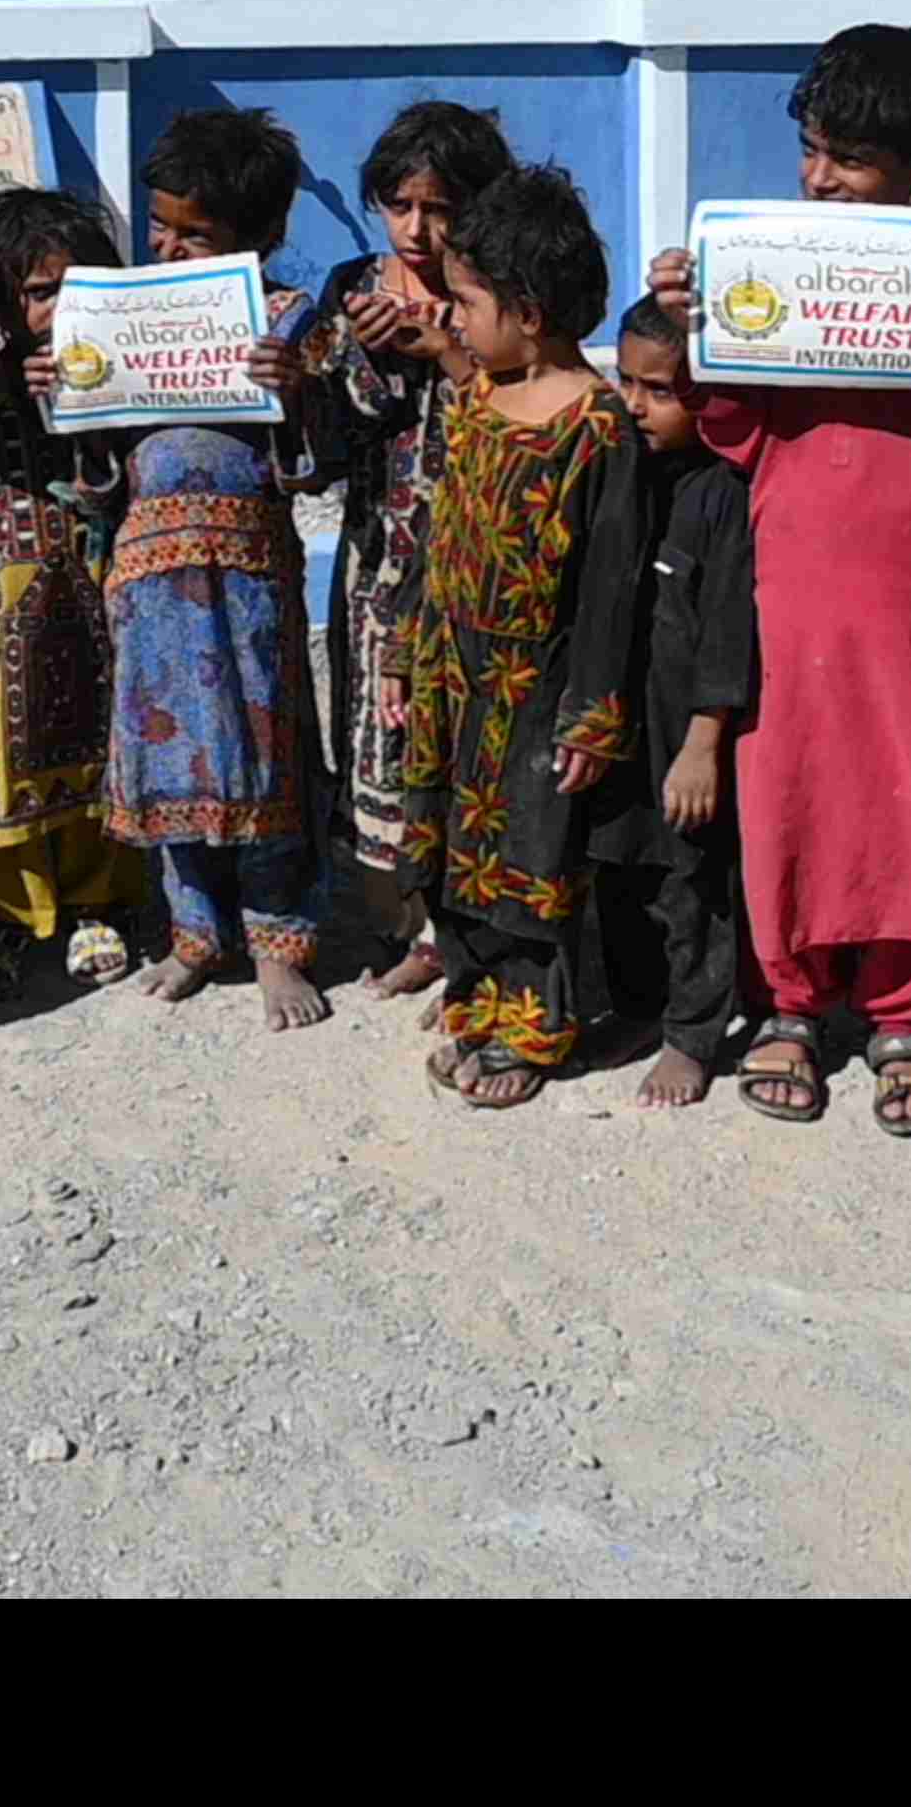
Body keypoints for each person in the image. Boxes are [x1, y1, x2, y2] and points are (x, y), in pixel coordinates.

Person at [647, 23, 911, 1136]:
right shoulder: (778, 261)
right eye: (814, 151)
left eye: (851, 160)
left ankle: (909, 1014)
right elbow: (733, 431)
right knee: (791, 801)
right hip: (787, 588)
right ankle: (793, 1000)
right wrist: (700, 330)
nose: (823, 179)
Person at [399, 168, 646, 1110]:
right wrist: (407, 654)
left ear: (531, 311)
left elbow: (613, 585)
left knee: (530, 862)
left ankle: (533, 1024)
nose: (454, 323)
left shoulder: (597, 425)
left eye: (467, 303)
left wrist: (590, 716)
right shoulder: (477, 401)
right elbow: (442, 533)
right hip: (448, 673)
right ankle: (472, 1000)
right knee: (447, 848)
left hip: (534, 689)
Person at [88, 107, 337, 1028]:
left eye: (198, 234)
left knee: (259, 755)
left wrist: (294, 396)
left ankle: (281, 938)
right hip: (148, 578)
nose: (171, 247)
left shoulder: (287, 323)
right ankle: (193, 931)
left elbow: (311, 465)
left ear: (263, 237)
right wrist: (66, 394)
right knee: (164, 758)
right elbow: (96, 468)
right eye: (162, 226)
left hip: (247, 579)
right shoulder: (123, 316)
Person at [0, 185, 143, 995]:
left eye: (74, 288)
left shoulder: (114, 367)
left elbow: (119, 482)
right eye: (39, 292)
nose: (56, 311)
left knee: (99, 737)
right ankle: (4, 915)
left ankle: (98, 903)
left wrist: (87, 409)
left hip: (86, 583)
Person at [312, 99, 509, 1000]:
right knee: (377, 736)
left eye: (440, 209)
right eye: (401, 207)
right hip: (375, 559)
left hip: (472, 558)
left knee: (463, 736)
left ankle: (465, 930)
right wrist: (356, 357)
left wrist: (444, 348)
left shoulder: (499, 294)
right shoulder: (355, 287)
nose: (419, 229)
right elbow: (323, 443)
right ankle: (407, 923)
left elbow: (517, 417)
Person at [584, 292, 757, 1109]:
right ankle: (635, 1007)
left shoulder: (723, 492)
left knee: (688, 880)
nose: (636, 404)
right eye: (625, 382)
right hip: (618, 719)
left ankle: (693, 1031)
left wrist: (704, 742)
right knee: (618, 871)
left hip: (683, 730)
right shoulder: (618, 472)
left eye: (659, 389)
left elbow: (727, 625)